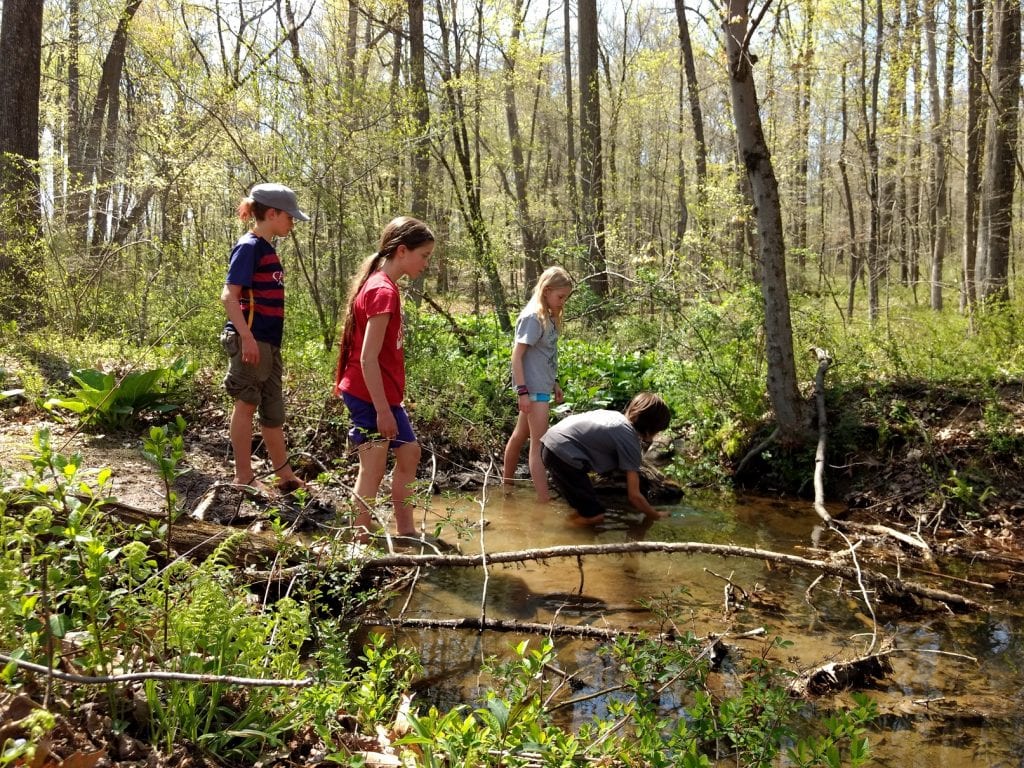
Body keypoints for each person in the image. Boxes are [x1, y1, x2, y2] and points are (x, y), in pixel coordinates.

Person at [335, 216, 435, 540]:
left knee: (409, 453)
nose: (426, 264)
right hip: (368, 395)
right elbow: (367, 358)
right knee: (373, 467)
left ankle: (405, 531)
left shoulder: (385, 286)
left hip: (383, 395)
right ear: (403, 251)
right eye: (424, 256)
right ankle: (358, 541)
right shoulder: (382, 291)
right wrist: (381, 410)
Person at [220, 182, 309, 495]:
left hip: (269, 343)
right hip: (251, 341)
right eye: (289, 217)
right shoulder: (249, 247)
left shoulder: (268, 249)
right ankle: (243, 476)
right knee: (246, 404)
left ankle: (285, 475)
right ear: (272, 214)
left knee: (273, 412)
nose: (292, 222)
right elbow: (229, 296)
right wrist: (247, 338)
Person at [540, 392, 672, 526]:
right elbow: (634, 496)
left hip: (550, 443)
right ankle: (555, 533)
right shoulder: (630, 440)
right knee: (595, 516)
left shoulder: (615, 416)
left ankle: (570, 524)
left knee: (586, 508)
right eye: (658, 431)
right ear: (650, 429)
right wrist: (654, 515)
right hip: (563, 456)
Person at [501, 266, 574, 502]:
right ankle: (544, 502)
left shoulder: (549, 317)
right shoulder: (533, 317)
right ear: (546, 290)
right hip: (531, 391)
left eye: (566, 298)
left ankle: (507, 487)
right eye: (560, 297)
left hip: (541, 387)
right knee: (539, 445)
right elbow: (517, 356)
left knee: (520, 435)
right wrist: (522, 392)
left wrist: (555, 383)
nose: (562, 302)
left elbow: (545, 355)